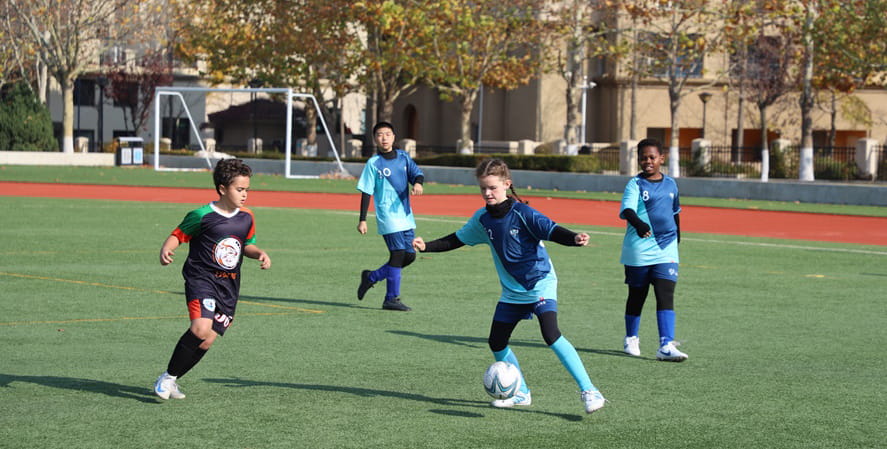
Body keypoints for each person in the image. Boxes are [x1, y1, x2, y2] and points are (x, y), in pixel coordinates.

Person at [412, 158, 606, 414]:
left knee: (550, 334)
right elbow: (457, 239)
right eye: (483, 188)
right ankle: (521, 392)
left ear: (506, 184)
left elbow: (553, 230)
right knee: (497, 341)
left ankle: (589, 390)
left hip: (539, 284)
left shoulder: (523, 213)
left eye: (492, 187)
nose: (487, 193)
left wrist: (574, 238)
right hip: (512, 291)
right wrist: (428, 246)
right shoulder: (482, 219)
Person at [153, 158, 272, 400]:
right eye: (239, 189)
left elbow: (246, 245)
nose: (245, 194)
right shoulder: (202, 215)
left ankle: (172, 378)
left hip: (228, 286)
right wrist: (167, 248)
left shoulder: (247, 217)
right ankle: (166, 379)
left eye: (247, 189)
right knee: (200, 328)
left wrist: (259, 252)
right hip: (201, 279)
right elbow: (178, 234)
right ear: (222, 189)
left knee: (206, 341)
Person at [619, 138, 688, 362]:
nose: (647, 161)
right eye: (643, 157)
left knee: (665, 294)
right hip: (639, 249)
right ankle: (631, 337)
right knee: (637, 296)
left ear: (661, 158)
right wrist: (639, 225)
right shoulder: (635, 184)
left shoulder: (671, 184)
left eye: (652, 157)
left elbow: (675, 212)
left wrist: (678, 236)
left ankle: (666, 345)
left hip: (666, 249)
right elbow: (627, 211)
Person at [356, 121, 424, 311]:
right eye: (379, 134)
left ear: (394, 137)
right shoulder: (373, 163)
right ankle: (391, 298)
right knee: (398, 254)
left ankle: (371, 277)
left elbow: (417, 174)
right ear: (375, 139)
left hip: (406, 215)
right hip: (387, 215)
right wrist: (362, 219)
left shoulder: (403, 157)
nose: (384, 138)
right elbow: (366, 191)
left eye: (387, 134)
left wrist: (418, 183)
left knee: (409, 256)